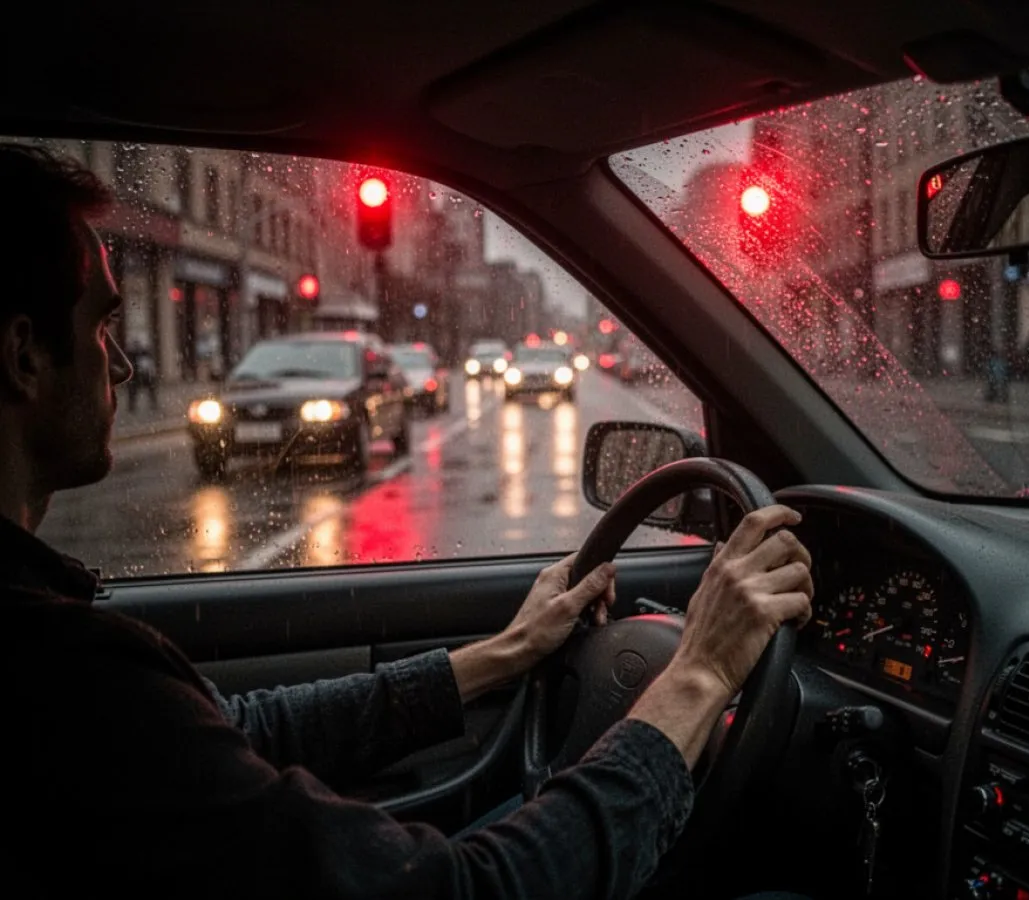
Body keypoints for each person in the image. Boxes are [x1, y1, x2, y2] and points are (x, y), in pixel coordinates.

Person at [0, 144, 815, 897]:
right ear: (24, 353)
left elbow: (242, 729)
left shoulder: (67, 666)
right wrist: (700, 674)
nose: (124, 362)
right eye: (102, 325)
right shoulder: (67, 677)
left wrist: (502, 654)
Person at [126, 336, 158, 412]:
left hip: (144, 375)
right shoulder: (132, 354)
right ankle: (132, 406)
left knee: (150, 389)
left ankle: (153, 403)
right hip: (137, 375)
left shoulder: (144, 353)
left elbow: (149, 364)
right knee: (133, 391)